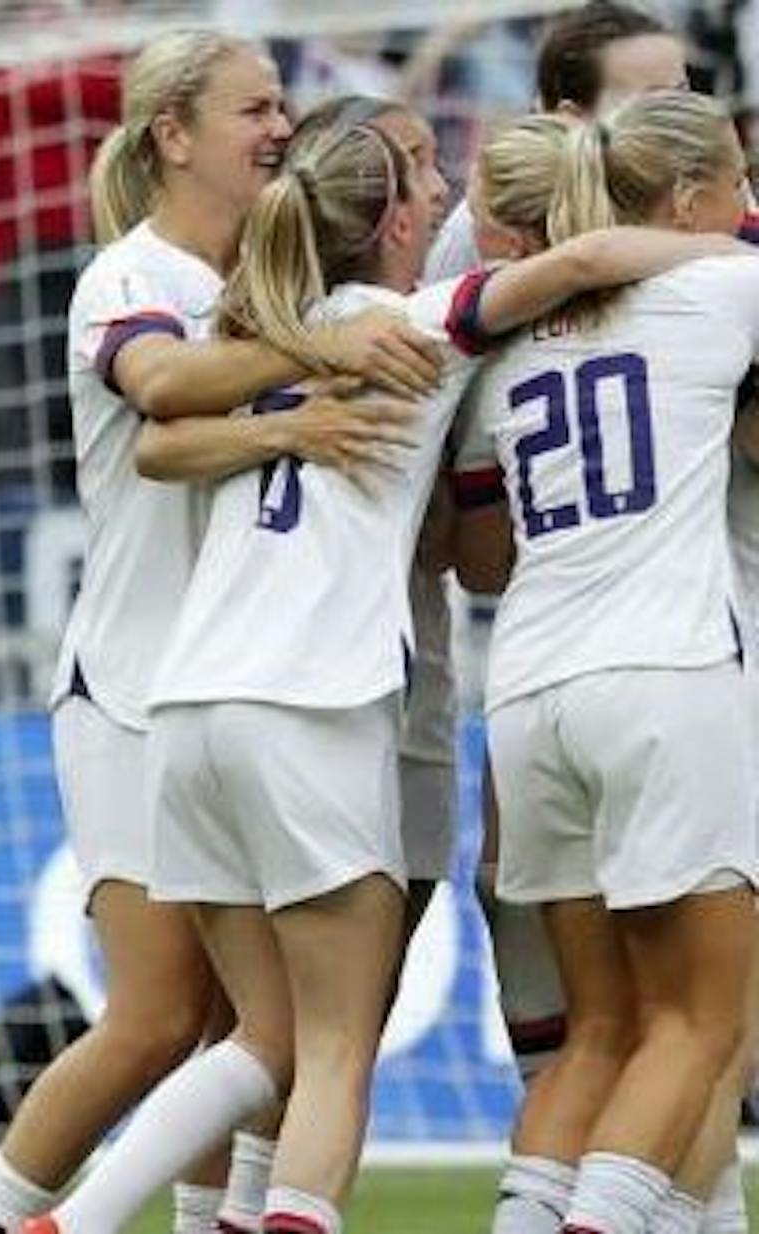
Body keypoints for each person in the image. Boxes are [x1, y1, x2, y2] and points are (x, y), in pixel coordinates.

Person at [27, 103, 734, 1234]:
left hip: (187, 709)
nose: (441, 195)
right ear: (398, 222)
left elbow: (157, 442)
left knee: (256, 1038)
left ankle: (75, 1220)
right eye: (421, 178)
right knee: (334, 1051)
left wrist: (278, 424)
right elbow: (577, 268)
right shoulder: (420, 327)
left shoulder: (251, 335)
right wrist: (716, 243)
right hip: (319, 704)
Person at [0, 32, 451, 1234]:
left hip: (238, 674)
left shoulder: (277, 278)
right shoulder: (134, 275)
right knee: (162, 1015)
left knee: (257, 1028)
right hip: (132, 687)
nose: (278, 126)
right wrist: (303, 386)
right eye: (253, 108)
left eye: (282, 107)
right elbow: (165, 399)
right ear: (172, 134)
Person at [449, 90, 759, 1234]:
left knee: (601, 1032)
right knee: (704, 1028)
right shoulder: (721, 292)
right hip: (665, 680)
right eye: (738, 182)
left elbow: (478, 554)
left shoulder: (501, 350)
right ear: (688, 195)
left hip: (529, 695)